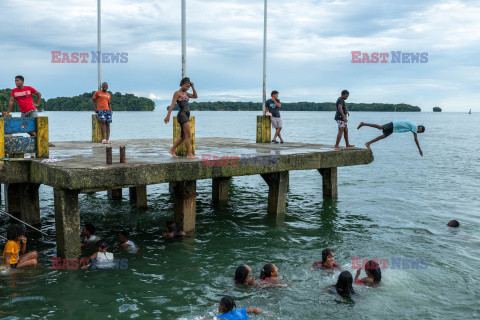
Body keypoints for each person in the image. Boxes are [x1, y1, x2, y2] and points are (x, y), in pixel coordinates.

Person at [164, 77, 198, 159]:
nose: (187, 88)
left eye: (188, 87)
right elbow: (172, 105)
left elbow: (195, 96)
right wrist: (168, 116)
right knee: (188, 135)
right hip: (182, 115)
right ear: (182, 84)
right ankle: (189, 154)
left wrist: (193, 87)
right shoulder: (177, 93)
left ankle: (172, 150)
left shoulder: (186, 94)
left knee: (183, 136)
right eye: (186, 86)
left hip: (186, 115)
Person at [357, 121, 425, 156]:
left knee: (383, 136)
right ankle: (363, 124)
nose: (418, 132)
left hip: (394, 128)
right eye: (420, 131)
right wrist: (419, 150)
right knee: (380, 127)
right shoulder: (414, 126)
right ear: (419, 128)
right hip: (394, 125)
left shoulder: (413, 126)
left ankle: (368, 143)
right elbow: (415, 139)